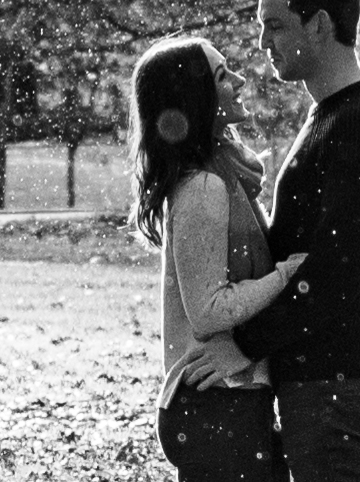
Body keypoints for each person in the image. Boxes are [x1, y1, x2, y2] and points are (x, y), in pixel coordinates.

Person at [179, 0, 360, 482]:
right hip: (331, 373)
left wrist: (241, 347)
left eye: (277, 25)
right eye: (262, 27)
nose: (264, 43)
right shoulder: (333, 115)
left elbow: (337, 268)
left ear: (320, 25)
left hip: (343, 375)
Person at [129, 36, 307, 482]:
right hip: (217, 403)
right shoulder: (204, 188)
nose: (241, 81)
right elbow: (208, 312)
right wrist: (287, 275)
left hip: (226, 403)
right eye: (223, 76)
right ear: (197, 98)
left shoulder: (221, 177)